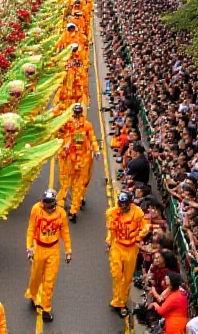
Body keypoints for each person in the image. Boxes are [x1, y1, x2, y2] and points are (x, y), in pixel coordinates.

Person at [25, 189, 72, 322]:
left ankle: (46, 308)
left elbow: (65, 232)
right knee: (36, 276)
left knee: (49, 280)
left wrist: (68, 250)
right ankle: (33, 295)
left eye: (49, 202)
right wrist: (29, 247)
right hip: (39, 247)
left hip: (53, 249)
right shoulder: (36, 210)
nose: (47, 205)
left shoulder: (61, 214)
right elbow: (31, 229)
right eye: (45, 202)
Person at [106, 190, 149, 318]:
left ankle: (120, 302)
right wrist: (109, 240)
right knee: (117, 274)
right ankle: (117, 300)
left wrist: (138, 237)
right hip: (117, 246)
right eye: (121, 203)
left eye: (125, 203)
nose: (122, 205)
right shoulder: (112, 212)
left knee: (127, 278)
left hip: (131, 248)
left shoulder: (138, 212)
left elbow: (145, 227)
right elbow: (111, 229)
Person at [57, 103, 99, 222]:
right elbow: (59, 134)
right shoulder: (67, 123)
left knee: (79, 185)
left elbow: (92, 138)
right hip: (68, 160)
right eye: (76, 113)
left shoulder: (87, 125)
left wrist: (96, 150)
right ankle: (62, 201)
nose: (77, 115)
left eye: (78, 113)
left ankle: (73, 209)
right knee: (65, 182)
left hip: (83, 161)